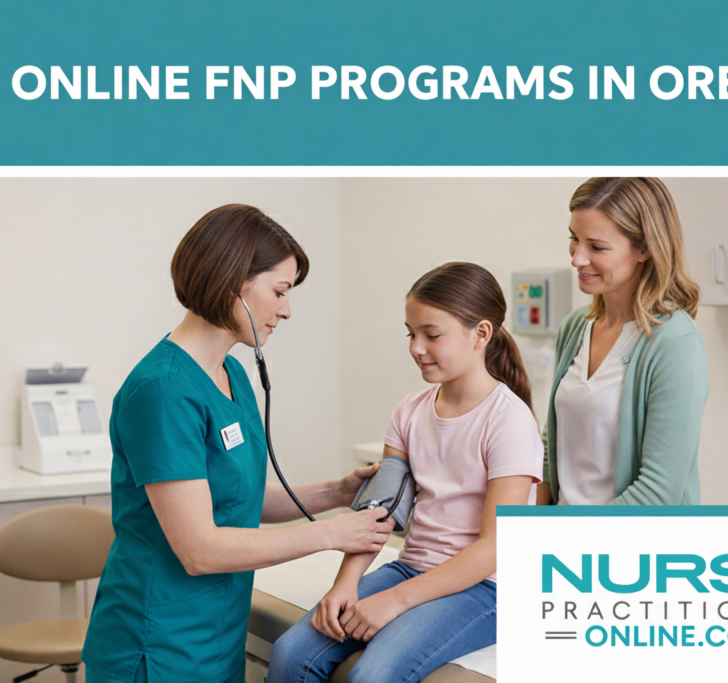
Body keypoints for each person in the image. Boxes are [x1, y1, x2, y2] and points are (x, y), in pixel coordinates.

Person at [81, 204, 395, 683]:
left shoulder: (231, 374)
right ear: (234, 282)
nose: (286, 310)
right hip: (157, 644)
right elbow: (199, 548)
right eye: (279, 292)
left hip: (216, 638)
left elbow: (233, 500)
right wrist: (330, 534)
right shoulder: (163, 391)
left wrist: (335, 493)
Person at [268, 262, 543, 683]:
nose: (416, 347)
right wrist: (345, 585)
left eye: (431, 335)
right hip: (411, 567)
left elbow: (494, 549)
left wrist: (395, 601)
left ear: (481, 334)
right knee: (291, 653)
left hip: (486, 588)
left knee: (373, 675)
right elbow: (379, 512)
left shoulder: (510, 421)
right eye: (411, 333)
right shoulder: (410, 411)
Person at [535, 177, 709, 506]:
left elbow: (658, 494)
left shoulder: (675, 343)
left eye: (597, 247)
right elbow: (552, 451)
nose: (577, 259)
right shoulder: (574, 328)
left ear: (644, 248)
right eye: (574, 239)